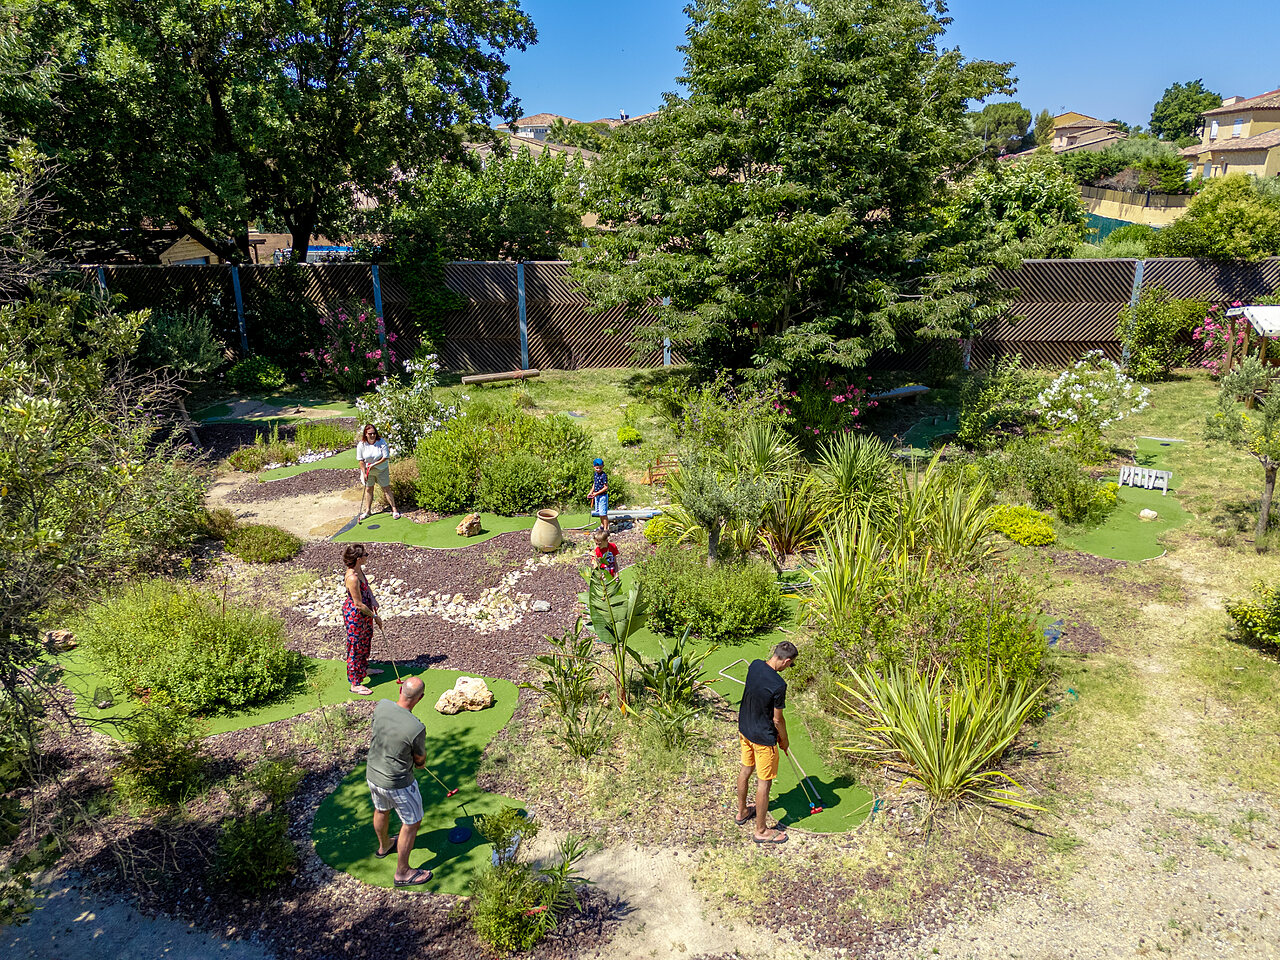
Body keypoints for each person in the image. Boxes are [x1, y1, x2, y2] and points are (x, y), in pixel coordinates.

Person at [367, 675, 433, 887]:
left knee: (381, 809)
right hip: (398, 782)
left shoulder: (382, 706)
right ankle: (403, 872)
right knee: (411, 822)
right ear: (420, 698)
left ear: (400, 691)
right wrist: (420, 763)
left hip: (373, 775)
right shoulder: (416, 728)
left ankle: (384, 846)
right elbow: (419, 758)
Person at [735, 641, 798, 845]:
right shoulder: (779, 685)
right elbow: (777, 719)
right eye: (790, 665)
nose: (788, 668)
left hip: (745, 729)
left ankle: (742, 811)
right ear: (786, 661)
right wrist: (785, 740)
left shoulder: (754, 664)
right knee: (764, 783)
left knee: (746, 770)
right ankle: (761, 830)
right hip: (763, 739)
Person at [342, 543, 384, 696]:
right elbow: (358, 604)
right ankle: (355, 683)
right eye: (366, 555)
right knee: (355, 646)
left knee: (366, 641)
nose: (368, 556)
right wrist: (375, 617)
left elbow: (366, 586)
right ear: (359, 559)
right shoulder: (352, 577)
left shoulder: (359, 570)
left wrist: (373, 600)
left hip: (365, 612)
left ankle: (364, 668)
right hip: (356, 615)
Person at [357, 423, 400, 521]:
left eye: (374, 433)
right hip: (368, 471)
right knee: (368, 489)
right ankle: (368, 511)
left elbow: (386, 457)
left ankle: (394, 510)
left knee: (386, 488)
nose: (372, 435)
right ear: (365, 434)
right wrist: (364, 473)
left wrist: (373, 464)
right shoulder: (361, 445)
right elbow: (360, 460)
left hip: (381, 469)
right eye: (370, 434)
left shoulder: (381, 442)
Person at [587, 457, 609, 532]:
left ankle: (606, 529)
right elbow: (595, 484)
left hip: (602, 496)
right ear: (594, 467)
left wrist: (596, 493)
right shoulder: (595, 474)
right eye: (597, 468)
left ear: (603, 467)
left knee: (603, 513)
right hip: (597, 496)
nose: (598, 470)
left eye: (600, 468)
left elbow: (606, 487)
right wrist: (591, 492)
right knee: (600, 512)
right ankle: (602, 526)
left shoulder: (604, 475)